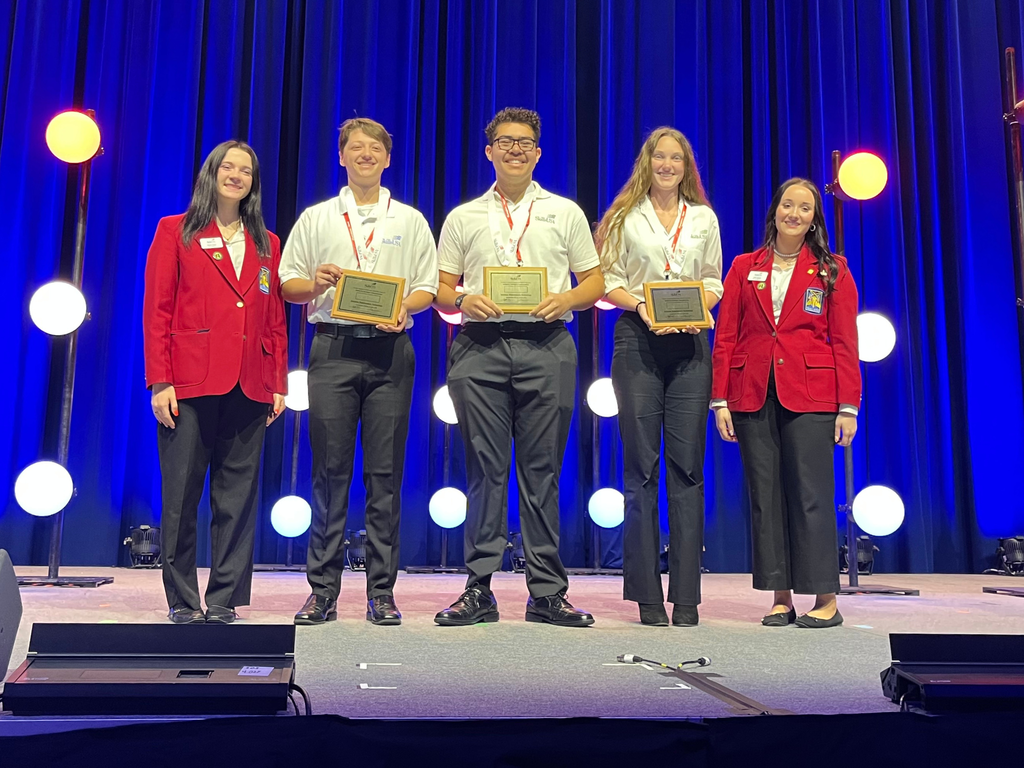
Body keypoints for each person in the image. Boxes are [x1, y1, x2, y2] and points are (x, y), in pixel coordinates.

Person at [433, 107, 605, 627]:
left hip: (548, 346)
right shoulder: (464, 216)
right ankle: (478, 589)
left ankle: (547, 592)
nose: (514, 149)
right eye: (504, 142)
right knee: (485, 471)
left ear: (538, 152)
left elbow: (594, 282)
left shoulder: (565, 212)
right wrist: (463, 299)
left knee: (542, 473)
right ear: (489, 151)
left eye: (524, 142)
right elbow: (440, 289)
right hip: (479, 347)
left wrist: (566, 299)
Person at [279, 118, 438, 626]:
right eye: (355, 148)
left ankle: (382, 592)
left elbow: (428, 287)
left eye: (375, 148)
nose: (365, 154)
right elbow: (286, 285)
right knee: (328, 475)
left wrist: (404, 309)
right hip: (333, 350)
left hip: (391, 352)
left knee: (385, 477)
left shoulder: (409, 220)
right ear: (341, 156)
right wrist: (313, 282)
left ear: (388, 159)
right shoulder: (317, 218)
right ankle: (321, 590)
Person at [143, 140, 288, 625]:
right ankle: (182, 600)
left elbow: (273, 318)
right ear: (211, 174)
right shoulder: (176, 231)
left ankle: (224, 598)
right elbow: (157, 310)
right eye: (228, 166)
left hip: (250, 384)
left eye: (246, 170)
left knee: (238, 498)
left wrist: (278, 381)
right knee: (181, 495)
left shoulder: (268, 242)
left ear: (253, 182)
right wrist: (160, 380)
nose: (237, 175)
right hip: (188, 381)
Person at [711, 178, 860, 628]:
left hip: (813, 394)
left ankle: (826, 599)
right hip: (753, 392)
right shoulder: (743, 267)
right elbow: (727, 336)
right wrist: (720, 398)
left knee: (812, 496)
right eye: (787, 205)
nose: (794, 214)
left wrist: (848, 406)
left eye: (805, 208)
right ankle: (780, 596)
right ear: (775, 210)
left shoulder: (832, 268)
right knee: (766, 496)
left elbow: (845, 341)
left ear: (814, 217)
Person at [597, 127, 723, 627]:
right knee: (642, 469)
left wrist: (701, 307)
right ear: (646, 163)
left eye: (676, 157)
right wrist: (643, 306)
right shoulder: (624, 217)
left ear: (686, 166)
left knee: (688, 469)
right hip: (638, 339)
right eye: (659, 156)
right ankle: (647, 594)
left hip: (691, 343)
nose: (667, 165)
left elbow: (712, 278)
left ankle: (687, 595)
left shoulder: (704, 218)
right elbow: (607, 282)